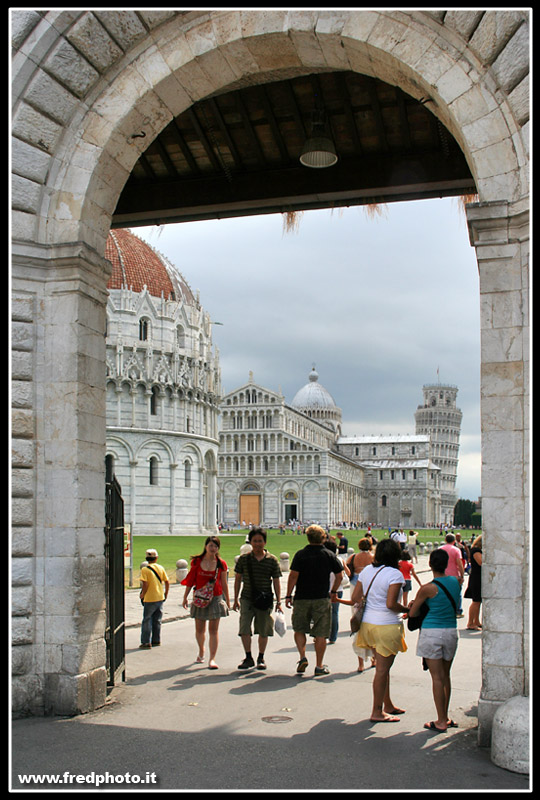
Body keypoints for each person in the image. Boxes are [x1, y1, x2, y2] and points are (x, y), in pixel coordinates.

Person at [334, 538, 408, 721]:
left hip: (368, 625)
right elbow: (391, 604)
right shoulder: (395, 575)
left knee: (383, 669)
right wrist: (409, 609)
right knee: (382, 669)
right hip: (386, 626)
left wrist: (338, 599)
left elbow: (355, 599)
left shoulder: (368, 571)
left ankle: (388, 704)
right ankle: (377, 711)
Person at [408, 548, 461, 733]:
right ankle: (445, 717)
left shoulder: (428, 588)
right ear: (447, 564)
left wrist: (413, 605)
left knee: (436, 679)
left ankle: (440, 721)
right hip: (451, 632)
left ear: (430, 564)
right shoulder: (456, 582)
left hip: (432, 633)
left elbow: (413, 613)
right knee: (446, 676)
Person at [285, 524, 343, 675]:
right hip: (322, 598)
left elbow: (293, 576)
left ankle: (303, 656)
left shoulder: (300, 554)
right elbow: (340, 576)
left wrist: (288, 595)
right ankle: (319, 665)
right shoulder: (329, 555)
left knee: (299, 629)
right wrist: (334, 591)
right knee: (321, 633)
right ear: (323, 538)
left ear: (308, 537)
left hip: (302, 597)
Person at [233, 527, 282, 670]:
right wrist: (235, 598)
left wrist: (279, 601)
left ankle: (261, 657)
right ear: (251, 542)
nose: (257, 544)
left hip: (264, 599)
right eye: (255, 541)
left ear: (265, 542)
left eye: (260, 541)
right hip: (247, 598)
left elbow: (276, 581)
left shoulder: (272, 560)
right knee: (244, 628)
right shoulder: (244, 559)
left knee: (263, 629)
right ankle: (248, 657)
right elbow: (237, 579)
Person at [181, 536, 230, 669]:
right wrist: (185, 597)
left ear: (218, 548)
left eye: (215, 546)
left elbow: (224, 583)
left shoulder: (221, 564)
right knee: (200, 629)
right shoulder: (197, 562)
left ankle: (212, 659)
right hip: (200, 597)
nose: (213, 548)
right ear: (206, 546)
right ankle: (201, 650)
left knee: (213, 630)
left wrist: (229, 600)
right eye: (210, 545)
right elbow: (191, 580)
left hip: (216, 597)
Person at [139, 548, 170, 649]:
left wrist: (143, 594)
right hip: (160, 597)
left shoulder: (145, 569)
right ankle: (156, 640)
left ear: (147, 558)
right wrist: (166, 593)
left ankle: (146, 642)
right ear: (156, 558)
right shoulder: (160, 568)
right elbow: (167, 581)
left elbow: (145, 584)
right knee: (157, 619)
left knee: (147, 619)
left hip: (149, 598)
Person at [323, 536, 350, 644]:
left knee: (323, 614)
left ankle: (322, 635)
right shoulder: (340, 560)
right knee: (334, 613)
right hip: (338, 589)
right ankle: (333, 637)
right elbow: (348, 573)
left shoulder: (322, 559)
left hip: (325, 590)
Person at [440, 533, 465, 616]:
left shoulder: (440, 549)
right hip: (454, 575)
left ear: (445, 540)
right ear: (454, 541)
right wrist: (462, 575)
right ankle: (457, 611)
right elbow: (459, 564)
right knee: (457, 594)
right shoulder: (456, 550)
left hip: (442, 575)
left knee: (443, 593)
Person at [464, 534, 483, 630]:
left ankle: (476, 621)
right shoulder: (476, 551)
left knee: (478, 601)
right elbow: (481, 562)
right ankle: (470, 622)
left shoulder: (477, 550)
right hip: (476, 578)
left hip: (478, 577)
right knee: (476, 601)